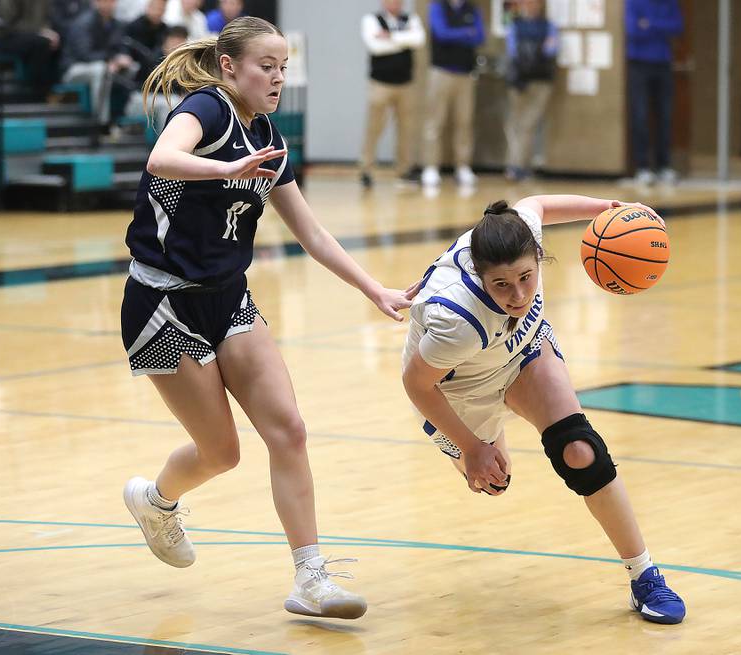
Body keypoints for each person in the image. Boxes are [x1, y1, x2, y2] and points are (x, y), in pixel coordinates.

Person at [121, 16, 414, 620]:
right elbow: (161, 157)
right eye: (266, 67)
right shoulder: (205, 109)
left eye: (284, 67)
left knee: (289, 430)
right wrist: (225, 170)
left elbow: (311, 232)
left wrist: (370, 287)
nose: (278, 77)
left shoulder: (268, 136)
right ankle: (156, 502)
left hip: (228, 297)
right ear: (230, 67)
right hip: (163, 304)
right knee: (221, 452)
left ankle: (310, 578)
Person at [401, 195, 686, 625]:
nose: (518, 295)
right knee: (494, 482)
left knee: (580, 451)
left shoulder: (523, 233)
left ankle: (644, 574)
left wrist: (606, 209)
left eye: (526, 278)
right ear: (480, 275)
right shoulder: (456, 320)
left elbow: (536, 203)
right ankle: (486, 437)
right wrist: (471, 447)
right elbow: (415, 383)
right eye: (502, 285)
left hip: (522, 353)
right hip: (462, 389)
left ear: (536, 255)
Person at [358, 0, 425, 189]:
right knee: (374, 128)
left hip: (406, 84)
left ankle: (404, 170)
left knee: (406, 129)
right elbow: (375, 47)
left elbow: (419, 40)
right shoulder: (372, 20)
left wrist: (390, 37)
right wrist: (404, 40)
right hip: (380, 84)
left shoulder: (411, 18)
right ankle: (366, 170)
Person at [421, 0, 485, 190]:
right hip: (441, 72)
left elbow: (480, 36)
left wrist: (459, 34)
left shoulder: (472, 9)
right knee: (435, 121)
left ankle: (463, 166)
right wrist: (466, 32)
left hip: (466, 73)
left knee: (464, 121)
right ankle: (431, 167)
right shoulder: (437, 7)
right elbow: (442, 33)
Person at [625, 0, 683, 186]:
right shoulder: (634, 2)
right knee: (640, 116)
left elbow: (677, 27)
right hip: (638, 64)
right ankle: (642, 167)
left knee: (665, 116)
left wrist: (650, 23)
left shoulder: (670, 2)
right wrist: (660, 26)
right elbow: (633, 31)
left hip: (663, 64)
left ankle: (663, 166)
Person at [503, 0, 558, 181]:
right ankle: (515, 165)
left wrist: (535, 53)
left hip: (541, 80)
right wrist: (536, 52)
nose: (530, 4)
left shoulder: (548, 25)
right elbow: (513, 52)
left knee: (529, 124)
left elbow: (551, 49)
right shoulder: (515, 25)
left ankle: (519, 166)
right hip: (520, 80)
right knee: (515, 124)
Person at [60, 0, 136, 126]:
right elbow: (84, 54)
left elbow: (120, 47)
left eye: (112, 1)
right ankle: (101, 123)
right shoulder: (84, 22)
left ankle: (126, 120)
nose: (108, 4)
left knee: (132, 67)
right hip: (73, 69)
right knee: (100, 69)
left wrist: (122, 59)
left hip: (105, 66)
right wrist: (111, 60)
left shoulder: (116, 23)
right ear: (96, 2)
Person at [0, 0, 60, 100]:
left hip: (34, 35)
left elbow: (46, 20)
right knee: (41, 44)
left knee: (55, 41)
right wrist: (39, 31)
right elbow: (5, 24)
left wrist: (50, 33)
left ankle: (56, 89)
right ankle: (35, 92)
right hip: (7, 37)